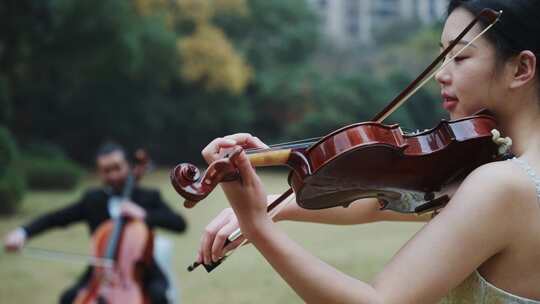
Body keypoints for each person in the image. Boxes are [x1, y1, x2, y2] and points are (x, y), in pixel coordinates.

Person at [195, 1, 540, 303]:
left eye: (461, 56)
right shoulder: (501, 170)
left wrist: (257, 225)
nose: (441, 74)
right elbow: (392, 197)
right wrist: (277, 203)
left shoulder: (501, 186)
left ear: (522, 68)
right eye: (442, 56)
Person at [3, 143, 187, 304]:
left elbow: (179, 224)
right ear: (100, 172)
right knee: (68, 298)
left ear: (128, 166)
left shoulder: (148, 196)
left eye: (117, 168)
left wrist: (144, 214)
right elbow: (55, 219)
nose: (113, 175)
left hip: (144, 272)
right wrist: (22, 232)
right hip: (98, 273)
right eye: (107, 170)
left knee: (159, 296)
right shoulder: (93, 200)